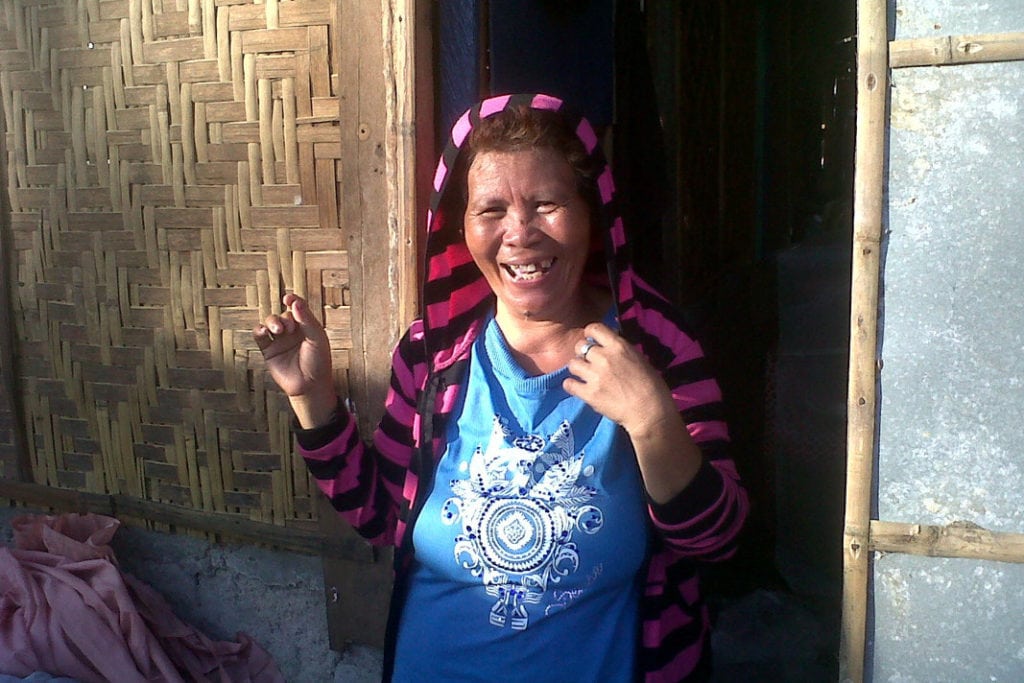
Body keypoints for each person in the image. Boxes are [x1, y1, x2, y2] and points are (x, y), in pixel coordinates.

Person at [254, 93, 748, 682]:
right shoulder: (433, 353)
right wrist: (313, 399)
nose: (519, 233)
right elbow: (383, 518)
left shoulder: (655, 347)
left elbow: (718, 543)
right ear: (460, 230)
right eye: (491, 210)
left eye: (546, 204)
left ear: (593, 220)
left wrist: (652, 422)